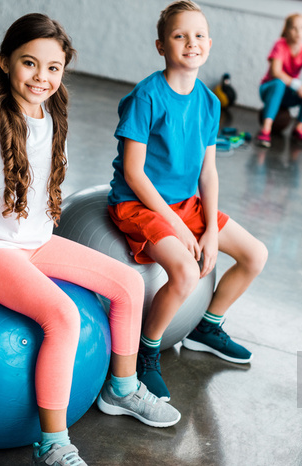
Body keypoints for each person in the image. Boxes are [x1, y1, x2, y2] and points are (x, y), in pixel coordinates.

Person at [0, 13, 180, 466]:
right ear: (6, 60)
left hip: (35, 242)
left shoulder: (52, 116)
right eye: (30, 63)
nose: (41, 77)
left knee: (128, 284)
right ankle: (52, 442)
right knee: (64, 317)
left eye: (53, 68)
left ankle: (121, 387)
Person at [107, 0, 268, 402]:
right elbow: (134, 173)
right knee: (185, 272)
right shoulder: (146, 96)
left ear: (209, 44)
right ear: (161, 46)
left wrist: (211, 228)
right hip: (140, 204)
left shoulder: (210, 102)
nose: (190, 43)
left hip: (187, 203)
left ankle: (205, 326)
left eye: (198, 36)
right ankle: (147, 354)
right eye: (179, 36)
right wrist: (177, 226)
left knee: (255, 255)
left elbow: (208, 172)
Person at [257, 13, 302, 148]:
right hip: (269, 89)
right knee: (279, 84)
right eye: (294, 28)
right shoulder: (280, 45)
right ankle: (266, 130)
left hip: (287, 93)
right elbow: (276, 72)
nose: (298, 32)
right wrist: (297, 85)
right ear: (286, 30)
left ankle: (299, 128)